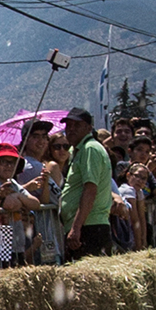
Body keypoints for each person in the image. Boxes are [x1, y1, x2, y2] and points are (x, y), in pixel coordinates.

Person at [59, 107, 115, 256]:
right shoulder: (79, 150)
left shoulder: (90, 148)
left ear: (89, 128)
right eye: (68, 126)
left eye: (76, 125)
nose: (70, 130)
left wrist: (76, 228)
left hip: (89, 226)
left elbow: (90, 189)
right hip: (85, 225)